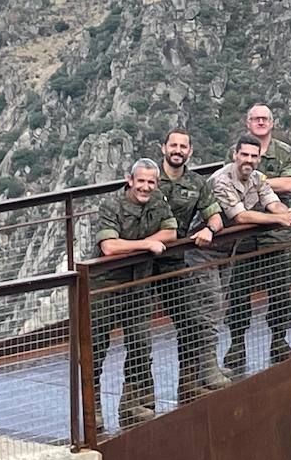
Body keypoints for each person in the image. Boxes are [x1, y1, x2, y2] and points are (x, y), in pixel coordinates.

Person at [86, 158, 176, 431]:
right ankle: (93, 410)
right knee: (96, 349)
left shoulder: (158, 201)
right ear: (130, 180)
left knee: (140, 345)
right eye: (141, 181)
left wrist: (154, 241)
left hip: (138, 285)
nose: (145, 187)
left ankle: (130, 400)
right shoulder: (111, 205)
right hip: (105, 286)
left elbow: (171, 231)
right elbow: (109, 246)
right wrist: (147, 244)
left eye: (151, 182)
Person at [211, 134, 291, 373]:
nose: (249, 160)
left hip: (265, 241)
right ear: (235, 155)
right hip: (222, 246)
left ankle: (279, 340)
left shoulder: (258, 178)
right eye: (245, 155)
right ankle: (236, 345)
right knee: (237, 292)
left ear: (259, 158)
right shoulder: (221, 180)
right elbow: (241, 216)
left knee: (279, 288)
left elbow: (273, 202)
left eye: (254, 156)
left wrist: (289, 213)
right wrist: (279, 219)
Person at [154, 129, 230, 402]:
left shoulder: (197, 183)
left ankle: (188, 382)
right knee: (136, 332)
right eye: (173, 145)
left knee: (188, 322)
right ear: (163, 148)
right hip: (141, 262)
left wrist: (210, 229)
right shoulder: (150, 179)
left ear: (190, 151)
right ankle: (136, 399)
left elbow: (216, 217)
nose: (177, 150)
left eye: (182, 146)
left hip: (175, 262)